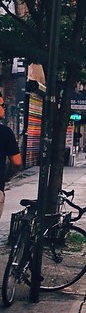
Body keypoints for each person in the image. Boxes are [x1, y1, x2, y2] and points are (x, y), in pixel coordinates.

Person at [0, 94, 25, 224]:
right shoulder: (5, 132)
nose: (4, 108)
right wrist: (7, 177)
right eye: (2, 105)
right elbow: (17, 162)